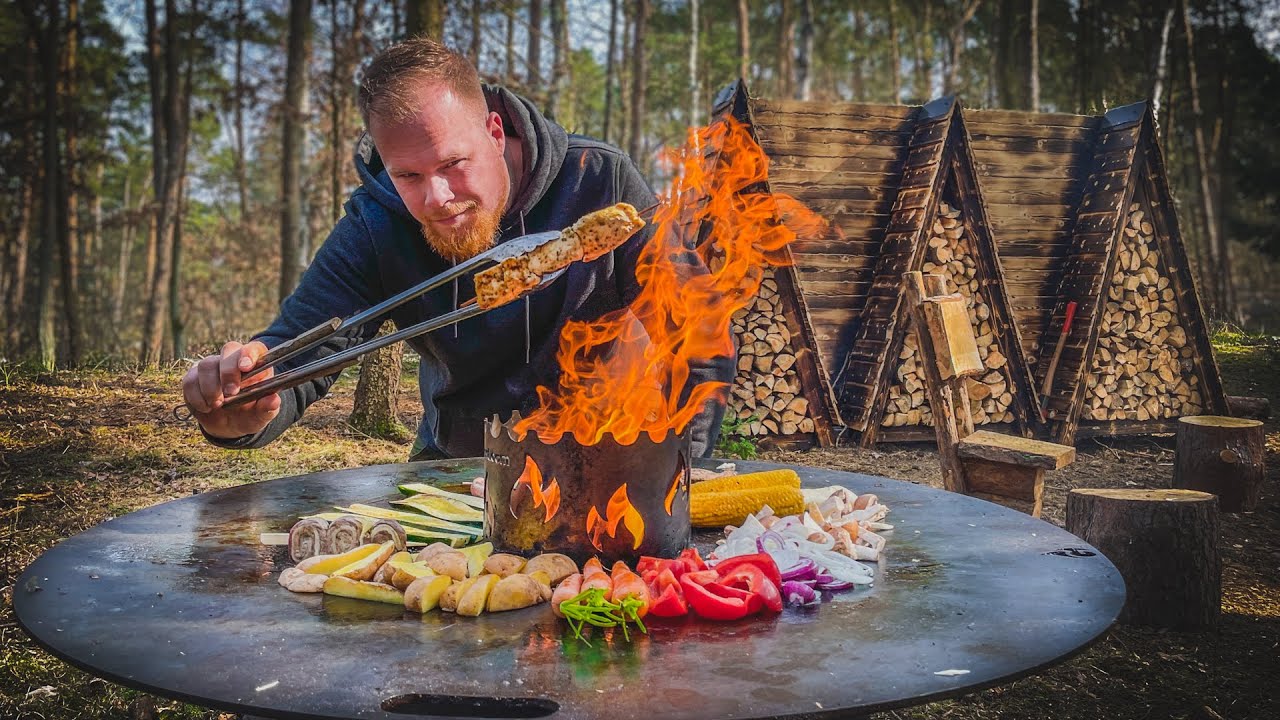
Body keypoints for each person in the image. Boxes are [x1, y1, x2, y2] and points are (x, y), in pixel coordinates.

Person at [181, 37, 732, 460]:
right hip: (455, 467)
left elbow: (695, 329)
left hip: (601, 461)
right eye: (409, 175)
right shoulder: (376, 221)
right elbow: (301, 352)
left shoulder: (599, 180)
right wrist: (246, 409)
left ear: (494, 132)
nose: (438, 198)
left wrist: (690, 463)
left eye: (452, 164)